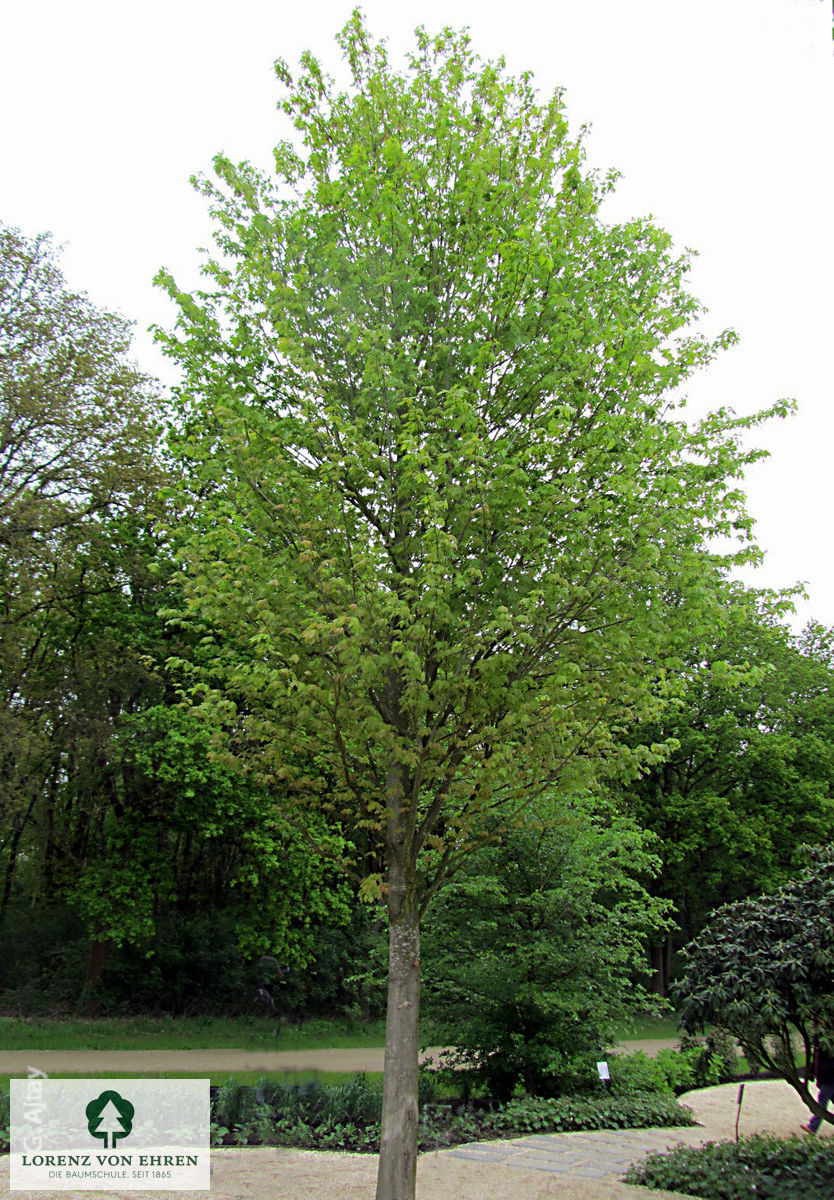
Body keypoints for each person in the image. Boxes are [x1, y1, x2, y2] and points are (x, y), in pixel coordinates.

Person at [800, 1033, 834, 1135]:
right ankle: (813, 1127)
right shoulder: (820, 1050)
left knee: (822, 1102)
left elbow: (824, 1064)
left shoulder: (825, 1049)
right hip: (827, 1079)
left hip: (829, 1080)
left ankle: (813, 1127)